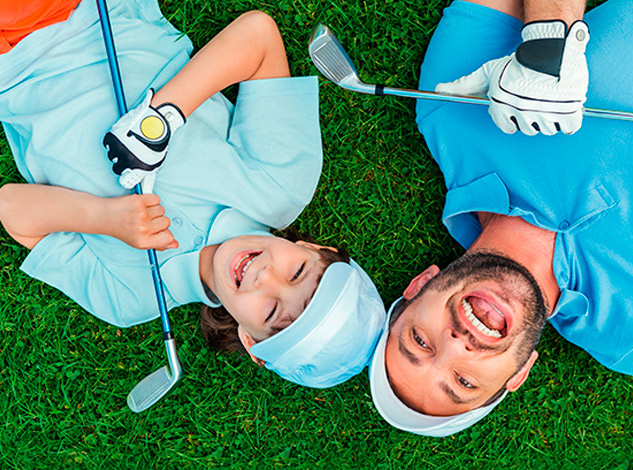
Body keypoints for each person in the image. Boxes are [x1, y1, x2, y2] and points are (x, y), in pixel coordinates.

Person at [0, 0, 385, 389]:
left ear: (251, 342)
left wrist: (106, 219)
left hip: (9, 73)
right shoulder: (281, 185)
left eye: (271, 311)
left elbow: (10, 208)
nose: (266, 276)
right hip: (92, 11)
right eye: (297, 272)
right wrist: (161, 119)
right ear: (314, 248)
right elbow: (258, 36)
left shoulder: (132, 298)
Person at [368, 0, 633, 436]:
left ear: (417, 288)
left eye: (419, 342)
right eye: (464, 382)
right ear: (520, 373)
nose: (455, 344)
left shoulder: (450, 108)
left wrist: (546, 37)